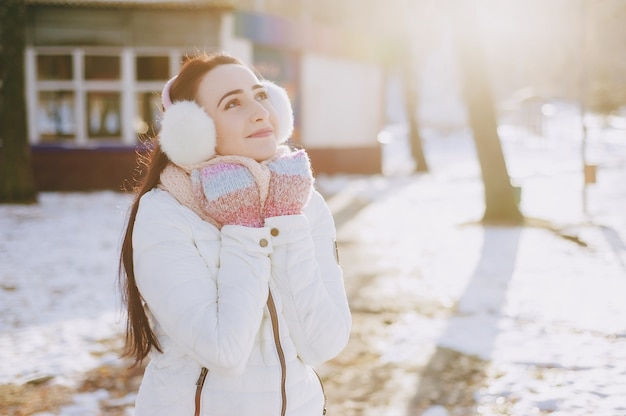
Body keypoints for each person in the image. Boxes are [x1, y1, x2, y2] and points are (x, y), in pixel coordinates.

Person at [118, 51, 351, 416]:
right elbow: (223, 351)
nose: (259, 112)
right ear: (195, 132)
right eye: (233, 104)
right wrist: (243, 225)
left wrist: (284, 221)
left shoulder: (300, 200)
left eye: (260, 96)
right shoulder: (165, 216)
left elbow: (324, 343)